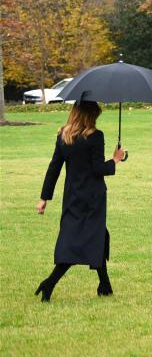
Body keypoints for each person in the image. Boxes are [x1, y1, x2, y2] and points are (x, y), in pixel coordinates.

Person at [35, 100, 126, 301]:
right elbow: (97, 169)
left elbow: (54, 168)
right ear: (89, 116)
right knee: (80, 242)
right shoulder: (95, 136)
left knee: (97, 235)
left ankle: (105, 285)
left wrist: (44, 198)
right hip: (93, 197)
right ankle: (49, 283)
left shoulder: (63, 136)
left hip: (73, 196)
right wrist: (116, 159)